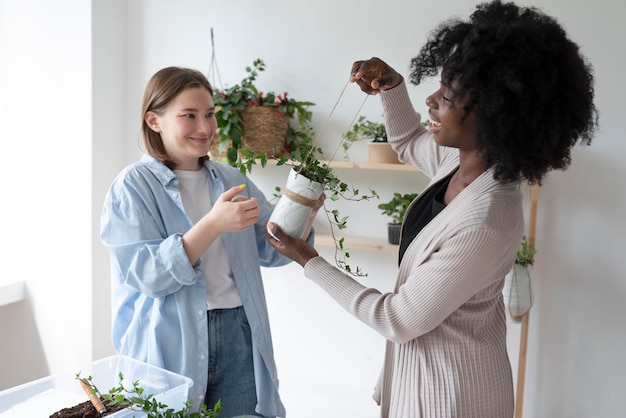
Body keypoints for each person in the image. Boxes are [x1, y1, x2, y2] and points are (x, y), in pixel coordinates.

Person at [265, 1, 598, 417]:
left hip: (452, 397)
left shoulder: (487, 221)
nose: (431, 100)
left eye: (448, 95)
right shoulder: (461, 163)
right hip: (425, 381)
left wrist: (307, 259)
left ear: (496, 115)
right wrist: (391, 86)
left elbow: (398, 319)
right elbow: (407, 143)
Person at [101, 66, 319, 418]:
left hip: (238, 333)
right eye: (189, 115)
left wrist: (303, 209)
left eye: (209, 115)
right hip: (168, 342)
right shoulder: (133, 186)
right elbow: (147, 275)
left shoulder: (230, 178)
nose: (205, 128)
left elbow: (272, 250)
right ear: (153, 121)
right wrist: (212, 225)